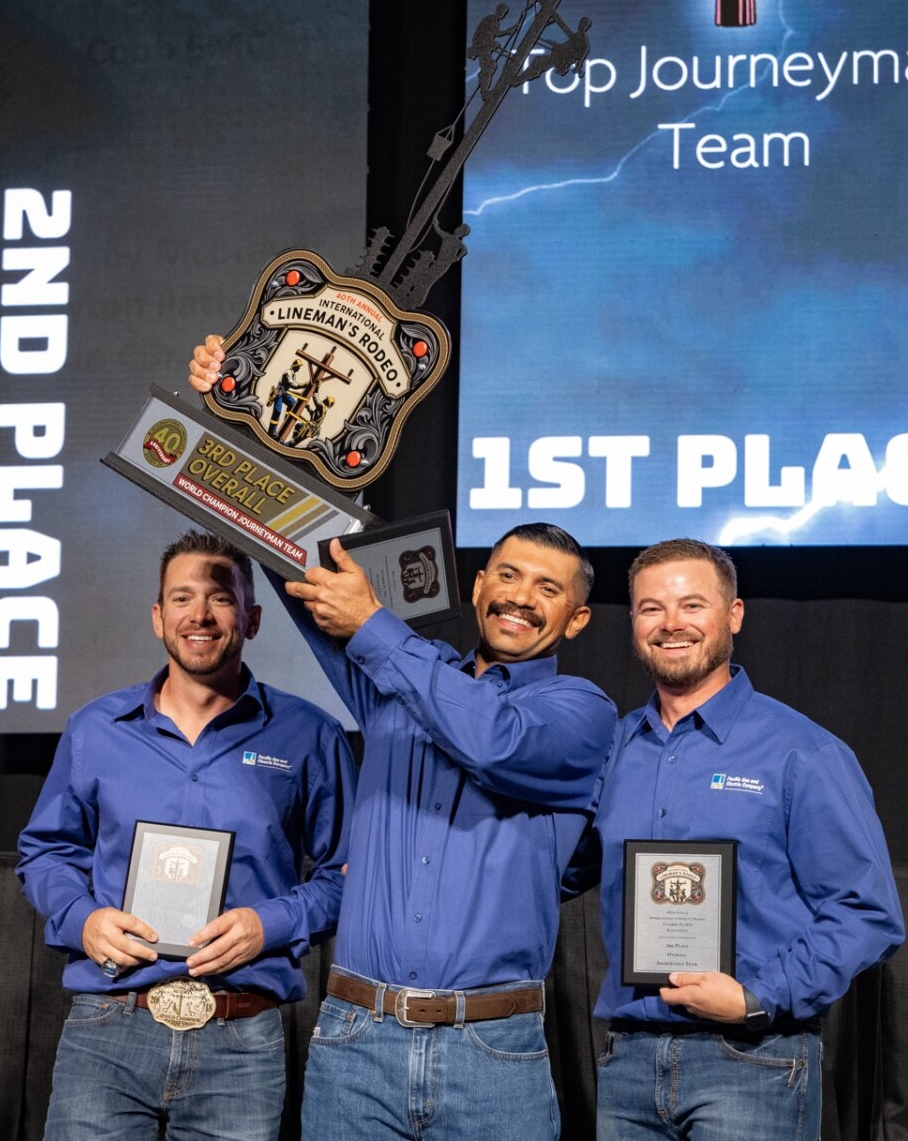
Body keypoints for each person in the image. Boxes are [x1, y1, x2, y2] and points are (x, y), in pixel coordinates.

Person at [199, 337, 618, 1138]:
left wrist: (377, 629)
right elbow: (286, 551)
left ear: (576, 617)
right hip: (357, 1044)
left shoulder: (580, 711)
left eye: (548, 588)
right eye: (507, 574)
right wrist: (242, 402)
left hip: (494, 1052)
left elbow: (493, 740)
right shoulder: (390, 676)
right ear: (476, 584)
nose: (521, 597)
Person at [17, 530, 355, 1141]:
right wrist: (84, 920)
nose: (199, 614)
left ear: (251, 619)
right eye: (181, 597)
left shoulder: (310, 735)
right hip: (109, 1026)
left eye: (220, 598)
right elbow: (45, 852)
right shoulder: (96, 728)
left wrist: (268, 925)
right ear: (158, 617)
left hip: (242, 1039)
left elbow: (347, 877)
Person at [565, 538, 904, 1141]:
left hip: (753, 1060)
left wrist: (757, 997)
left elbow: (866, 911)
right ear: (633, 622)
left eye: (692, 605)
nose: (672, 624)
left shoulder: (803, 752)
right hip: (628, 1062)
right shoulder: (611, 749)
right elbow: (559, 868)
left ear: (734, 615)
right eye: (651, 609)